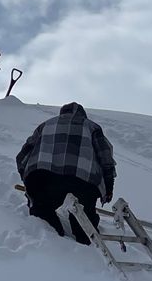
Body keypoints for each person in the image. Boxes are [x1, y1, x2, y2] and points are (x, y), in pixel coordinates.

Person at [16, 102, 116, 243]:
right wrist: (109, 186)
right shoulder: (92, 127)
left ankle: (52, 239)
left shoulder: (45, 125)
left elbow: (22, 155)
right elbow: (106, 158)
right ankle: (86, 246)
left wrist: (27, 181)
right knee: (84, 217)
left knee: (42, 207)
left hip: (44, 176)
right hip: (83, 180)